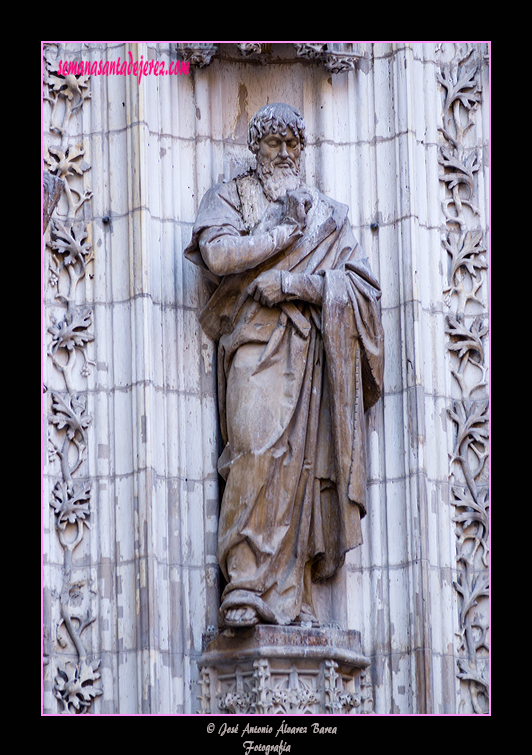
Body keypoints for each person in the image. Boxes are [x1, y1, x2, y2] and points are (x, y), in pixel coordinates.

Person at [185, 103, 384, 628]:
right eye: (274, 144)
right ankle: (245, 579)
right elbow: (220, 256)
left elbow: (363, 293)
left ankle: (290, 595)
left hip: (310, 355)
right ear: (257, 149)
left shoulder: (328, 216)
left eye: (293, 145)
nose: (285, 154)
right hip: (253, 345)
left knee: (298, 468)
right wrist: (281, 237)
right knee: (253, 450)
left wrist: (294, 284)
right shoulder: (233, 196)